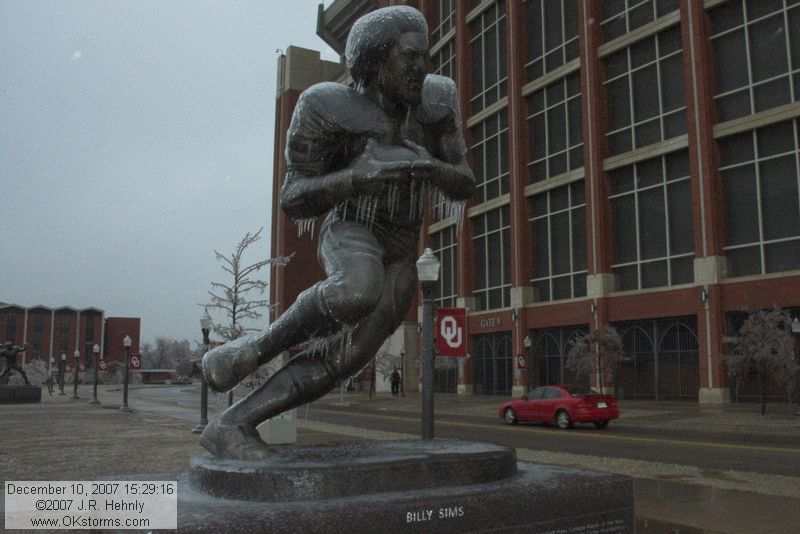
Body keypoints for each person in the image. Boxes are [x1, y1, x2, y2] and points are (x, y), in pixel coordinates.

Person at [200, 5, 475, 460]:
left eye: (424, 56)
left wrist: (431, 167)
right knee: (356, 288)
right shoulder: (325, 104)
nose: (422, 67)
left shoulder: (438, 100)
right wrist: (353, 179)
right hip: (352, 227)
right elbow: (293, 195)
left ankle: (232, 424)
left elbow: (465, 181)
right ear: (374, 60)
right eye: (409, 56)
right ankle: (253, 349)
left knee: (346, 357)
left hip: (402, 248)